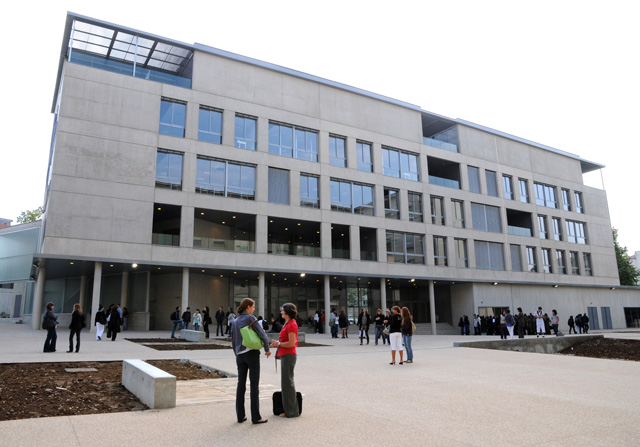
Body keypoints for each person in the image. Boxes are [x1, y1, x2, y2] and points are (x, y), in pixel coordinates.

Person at [231, 298, 271, 424]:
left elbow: (233, 340)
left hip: (240, 355)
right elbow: (262, 334)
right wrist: (267, 349)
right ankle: (256, 417)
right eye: (253, 307)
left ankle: (240, 416)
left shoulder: (235, 321)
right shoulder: (250, 318)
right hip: (251, 354)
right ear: (248, 307)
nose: (254, 309)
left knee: (240, 385)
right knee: (254, 385)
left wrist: (237, 354)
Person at [270, 303, 300, 419]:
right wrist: (277, 344)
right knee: (286, 384)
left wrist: (279, 344)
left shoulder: (291, 324)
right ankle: (288, 410)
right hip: (286, 355)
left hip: (289, 355)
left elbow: (291, 343)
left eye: (282, 310)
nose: (281, 312)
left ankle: (292, 412)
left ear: (287, 312)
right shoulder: (288, 323)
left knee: (288, 384)